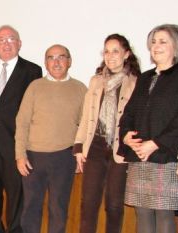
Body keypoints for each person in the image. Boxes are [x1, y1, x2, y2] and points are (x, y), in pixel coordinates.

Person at [118, 24, 178, 233]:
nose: (156, 46)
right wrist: (126, 136)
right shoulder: (145, 77)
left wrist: (154, 144)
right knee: (142, 212)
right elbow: (129, 112)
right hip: (140, 156)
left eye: (163, 41)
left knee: (164, 213)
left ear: (177, 46)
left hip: (166, 156)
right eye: (153, 42)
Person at [15, 44, 87, 233]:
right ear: (45, 63)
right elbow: (21, 122)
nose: (56, 62)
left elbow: (86, 126)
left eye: (61, 57)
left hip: (64, 157)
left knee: (58, 208)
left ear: (69, 61)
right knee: (31, 208)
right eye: (51, 57)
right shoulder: (35, 87)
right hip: (33, 157)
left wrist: (81, 154)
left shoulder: (80, 89)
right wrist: (19, 155)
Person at [73, 34, 140, 233]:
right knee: (89, 204)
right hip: (94, 147)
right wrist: (78, 147)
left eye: (115, 51)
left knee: (114, 205)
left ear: (126, 54)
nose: (110, 56)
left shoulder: (136, 83)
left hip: (120, 150)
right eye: (107, 51)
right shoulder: (95, 81)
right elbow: (87, 116)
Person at [0, 25, 42, 233]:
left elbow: (34, 111)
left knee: (16, 197)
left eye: (11, 39)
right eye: (1, 40)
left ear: (19, 44)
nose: (6, 43)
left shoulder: (32, 71)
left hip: (16, 146)